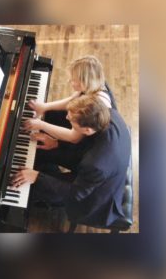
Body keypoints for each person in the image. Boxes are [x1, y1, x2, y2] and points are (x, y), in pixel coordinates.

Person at [11, 95, 131, 227]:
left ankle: (40, 202)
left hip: (96, 196)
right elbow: (87, 143)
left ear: (87, 129)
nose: (67, 118)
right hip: (95, 168)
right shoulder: (108, 113)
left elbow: (75, 193)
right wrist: (56, 143)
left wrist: (36, 176)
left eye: (72, 120)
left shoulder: (96, 165)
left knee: (31, 188)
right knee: (45, 153)